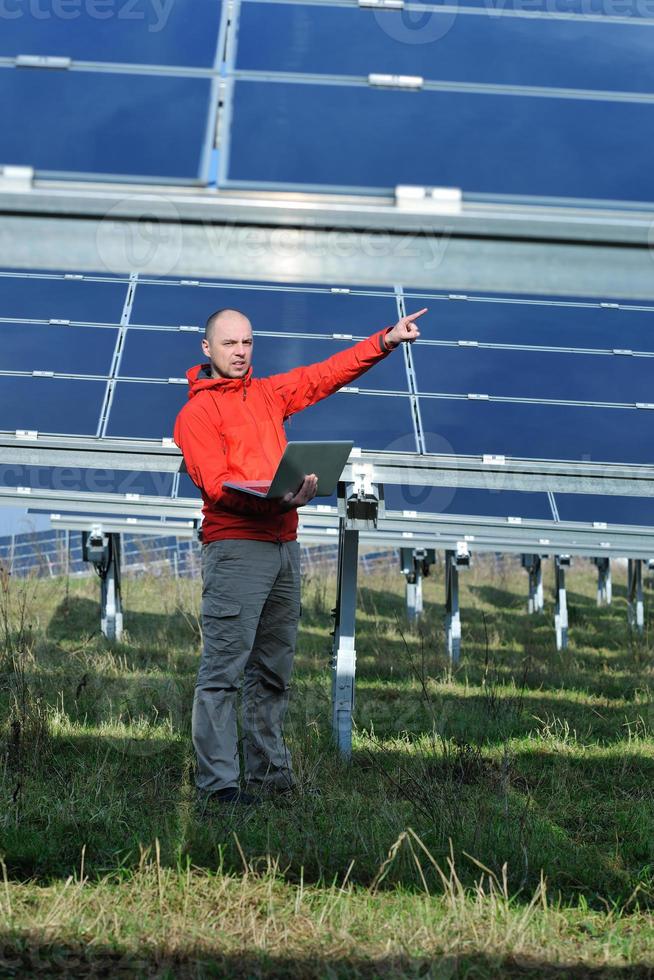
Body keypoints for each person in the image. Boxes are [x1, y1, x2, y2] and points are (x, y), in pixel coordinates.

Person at [173, 305, 427, 805]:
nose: (240, 352)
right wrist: (277, 499)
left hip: (283, 548)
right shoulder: (197, 414)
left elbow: (323, 376)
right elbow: (217, 485)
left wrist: (385, 341)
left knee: (272, 670)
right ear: (207, 349)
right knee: (223, 674)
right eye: (229, 344)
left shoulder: (267, 395)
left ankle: (270, 777)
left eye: (247, 342)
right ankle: (219, 786)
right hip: (236, 549)